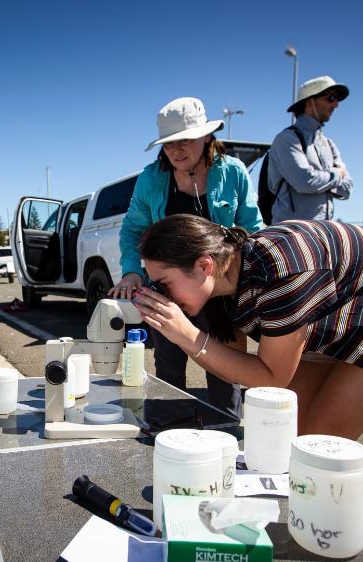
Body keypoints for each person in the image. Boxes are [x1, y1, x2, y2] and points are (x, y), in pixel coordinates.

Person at [132, 215, 363, 439]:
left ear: (204, 265)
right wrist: (188, 334)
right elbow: (237, 369)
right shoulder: (224, 280)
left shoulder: (282, 271)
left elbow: (270, 376)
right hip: (339, 302)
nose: (163, 295)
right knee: (283, 430)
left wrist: (187, 335)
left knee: (314, 440)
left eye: (164, 283)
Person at [108, 97, 264, 417]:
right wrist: (131, 271)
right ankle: (170, 429)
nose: (177, 151)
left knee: (225, 370)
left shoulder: (233, 172)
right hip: (169, 288)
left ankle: (226, 429)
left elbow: (253, 229)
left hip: (220, 290)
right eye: (169, 145)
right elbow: (133, 230)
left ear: (207, 136)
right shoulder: (151, 179)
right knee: (168, 363)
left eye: (185, 141)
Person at [266, 75, 353, 223]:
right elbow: (304, 181)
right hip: (291, 236)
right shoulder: (286, 139)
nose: (336, 105)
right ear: (310, 102)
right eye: (331, 98)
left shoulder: (329, 144)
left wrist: (321, 182)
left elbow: (348, 188)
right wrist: (338, 173)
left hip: (323, 234)